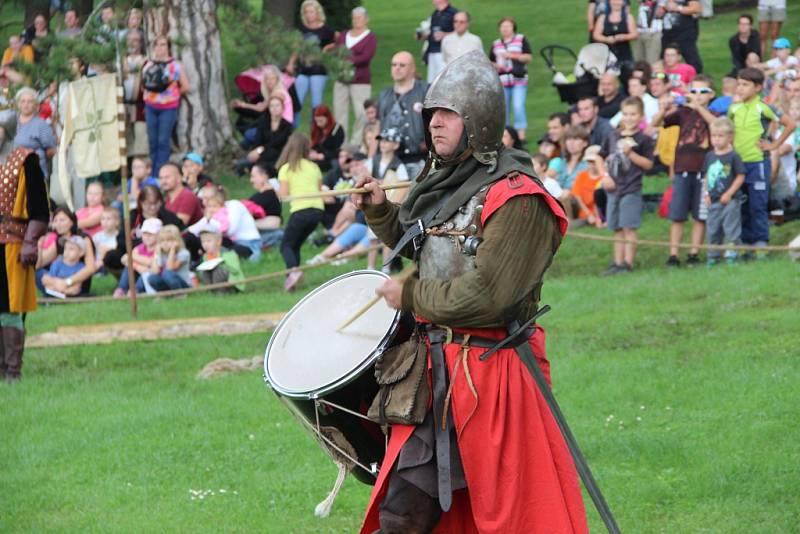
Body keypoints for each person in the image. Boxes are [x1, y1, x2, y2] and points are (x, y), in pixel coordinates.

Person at [351, 50, 587, 533]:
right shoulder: (446, 181)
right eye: (431, 114)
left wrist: (411, 297)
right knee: (403, 512)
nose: (435, 124)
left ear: (478, 121)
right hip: (434, 371)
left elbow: (490, 296)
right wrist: (380, 211)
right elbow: (425, 245)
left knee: (500, 516)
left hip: (492, 374)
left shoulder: (518, 197)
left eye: (448, 114)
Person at [728, 68, 796, 254]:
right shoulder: (734, 108)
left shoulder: (764, 107)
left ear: (757, 87)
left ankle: (760, 241)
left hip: (757, 162)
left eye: (745, 85)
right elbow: (728, 131)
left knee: (757, 204)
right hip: (738, 164)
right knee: (740, 203)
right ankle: (743, 243)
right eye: (739, 84)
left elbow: (790, 124)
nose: (740, 88)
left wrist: (774, 146)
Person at [651, 74, 716, 267]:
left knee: (699, 215)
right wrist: (664, 108)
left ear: (711, 94)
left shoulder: (714, 112)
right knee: (677, 215)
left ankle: (694, 253)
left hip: (704, 171)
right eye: (693, 91)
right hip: (682, 169)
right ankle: (673, 254)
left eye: (702, 91)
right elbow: (656, 124)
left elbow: (714, 123)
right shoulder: (683, 113)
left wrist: (698, 107)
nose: (697, 95)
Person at [0, 144, 49, 382]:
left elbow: (40, 209)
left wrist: (30, 241)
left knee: (11, 306)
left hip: (13, 244)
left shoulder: (26, 159)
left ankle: (12, 371)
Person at [597, 96, 655, 275]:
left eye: (633, 114)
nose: (629, 118)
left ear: (641, 116)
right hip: (614, 189)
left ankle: (627, 264)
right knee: (617, 228)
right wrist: (604, 175)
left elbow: (648, 164)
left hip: (631, 188)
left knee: (629, 227)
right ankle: (617, 262)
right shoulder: (613, 136)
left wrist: (631, 154)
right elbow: (600, 156)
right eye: (626, 114)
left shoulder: (644, 140)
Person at [276, 133, 324, 291]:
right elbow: (318, 190)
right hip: (317, 211)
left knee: (286, 246)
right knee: (294, 245)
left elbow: (283, 195)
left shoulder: (287, 169)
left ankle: (294, 272)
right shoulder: (314, 167)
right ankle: (292, 282)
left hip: (300, 211)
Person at [103, 185, 184, 273]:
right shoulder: (133, 216)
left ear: (161, 202)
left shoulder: (168, 217)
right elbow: (122, 240)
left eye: (156, 203)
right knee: (111, 256)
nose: (153, 207)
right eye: (149, 204)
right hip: (135, 253)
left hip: (163, 254)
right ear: (141, 203)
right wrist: (140, 247)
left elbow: (182, 233)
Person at [142, 36, 191, 177]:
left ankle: (161, 173)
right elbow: (144, 84)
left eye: (163, 45)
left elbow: (186, 86)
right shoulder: (148, 64)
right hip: (151, 106)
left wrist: (173, 94)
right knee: (152, 140)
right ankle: (152, 173)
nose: (160, 48)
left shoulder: (176, 65)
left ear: (168, 47)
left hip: (168, 108)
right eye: (157, 45)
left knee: (163, 140)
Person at [377, 51, 429, 180]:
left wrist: (429, 143)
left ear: (412, 69)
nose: (397, 68)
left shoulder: (425, 90)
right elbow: (378, 126)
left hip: (420, 159)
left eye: (402, 65)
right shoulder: (384, 95)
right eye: (394, 65)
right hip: (392, 161)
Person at [702, 117, 746, 265]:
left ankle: (732, 253)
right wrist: (706, 193)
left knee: (731, 226)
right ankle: (713, 255)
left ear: (730, 137)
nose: (716, 140)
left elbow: (740, 176)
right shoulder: (709, 156)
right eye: (714, 136)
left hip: (731, 200)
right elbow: (707, 175)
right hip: (714, 199)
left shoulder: (734, 156)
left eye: (720, 136)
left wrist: (729, 193)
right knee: (713, 228)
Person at [286, 0, 336, 127]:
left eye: (311, 12)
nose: (309, 15)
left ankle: (315, 134)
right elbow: (297, 48)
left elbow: (339, 42)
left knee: (316, 104)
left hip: (319, 71)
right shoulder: (301, 29)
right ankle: (290, 131)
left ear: (318, 12)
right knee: (296, 102)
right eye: (306, 12)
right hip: (302, 70)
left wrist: (327, 48)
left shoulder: (326, 30)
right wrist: (291, 63)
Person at [333, 6, 377, 145]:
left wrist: (347, 60)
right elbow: (337, 52)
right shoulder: (344, 35)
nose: (356, 20)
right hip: (341, 79)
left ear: (366, 19)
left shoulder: (370, 37)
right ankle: (341, 143)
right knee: (339, 112)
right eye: (354, 18)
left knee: (361, 113)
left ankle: (358, 143)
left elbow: (366, 57)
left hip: (360, 80)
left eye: (359, 17)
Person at [490, 17, 533, 142]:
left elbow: (528, 57)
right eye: (503, 26)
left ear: (513, 28)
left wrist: (513, 56)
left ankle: (521, 135)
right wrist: (496, 65)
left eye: (508, 26)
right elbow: (491, 60)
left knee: (518, 105)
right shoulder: (496, 43)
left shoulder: (521, 39)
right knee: (504, 107)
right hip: (503, 79)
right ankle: (506, 134)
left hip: (518, 78)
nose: (505, 29)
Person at [240, 95, 293, 176]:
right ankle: (255, 167)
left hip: (278, 154)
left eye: (277, 105)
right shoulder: (263, 122)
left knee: (272, 152)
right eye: (272, 106)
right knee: (261, 156)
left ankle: (253, 168)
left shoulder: (287, 126)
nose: (274, 108)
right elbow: (258, 140)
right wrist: (256, 151)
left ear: (282, 108)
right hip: (264, 154)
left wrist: (260, 150)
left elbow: (277, 143)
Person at [12, 87, 56, 180]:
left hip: (34, 173)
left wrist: (34, 156)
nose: (26, 105)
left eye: (30, 101)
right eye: (23, 101)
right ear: (18, 104)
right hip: (12, 173)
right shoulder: (11, 121)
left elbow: (51, 151)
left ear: (35, 105)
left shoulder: (41, 125)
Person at [114, 217, 161, 297]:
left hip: (153, 275)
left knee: (146, 273)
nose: (147, 237)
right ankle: (121, 289)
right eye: (145, 233)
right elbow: (124, 259)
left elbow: (151, 261)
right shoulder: (140, 247)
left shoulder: (159, 248)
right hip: (140, 272)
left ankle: (136, 290)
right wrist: (137, 266)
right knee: (128, 268)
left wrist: (133, 257)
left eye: (151, 234)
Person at [195, 220, 245, 292]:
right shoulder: (206, 256)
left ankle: (222, 293)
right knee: (203, 272)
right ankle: (212, 291)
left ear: (218, 241)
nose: (205, 244)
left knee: (218, 271)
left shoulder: (228, 254)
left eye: (209, 241)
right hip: (214, 282)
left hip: (231, 284)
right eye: (203, 242)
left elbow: (235, 269)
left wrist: (221, 263)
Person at [659, 0, 703, 73]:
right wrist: (663, 9)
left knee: (691, 58)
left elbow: (696, 9)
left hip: (685, 33)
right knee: (665, 58)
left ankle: (696, 79)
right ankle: (667, 78)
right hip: (667, 33)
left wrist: (677, 8)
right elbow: (660, 11)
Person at [145, 225, 193, 292]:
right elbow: (155, 271)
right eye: (162, 240)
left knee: (167, 273)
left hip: (183, 285)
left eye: (169, 240)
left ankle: (180, 294)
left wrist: (172, 249)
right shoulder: (161, 253)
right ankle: (164, 295)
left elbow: (170, 268)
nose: (165, 243)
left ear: (177, 240)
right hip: (168, 284)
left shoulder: (183, 253)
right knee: (152, 278)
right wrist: (156, 254)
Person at [248, 163, 284, 249]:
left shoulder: (267, 196)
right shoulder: (271, 194)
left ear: (264, 176)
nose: (251, 180)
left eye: (253, 176)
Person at [592, 0, 638, 66]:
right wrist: (606, 39)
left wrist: (623, 37)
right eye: (614, 0)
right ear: (609, 2)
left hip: (624, 53)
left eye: (619, 0)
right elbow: (596, 35)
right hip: (607, 53)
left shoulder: (628, 17)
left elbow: (634, 34)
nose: (616, 2)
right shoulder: (602, 18)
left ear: (623, 2)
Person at [570, 145, 606, 227]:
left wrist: (598, 217)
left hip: (601, 213)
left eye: (594, 161)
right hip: (585, 213)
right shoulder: (582, 175)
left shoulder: (604, 177)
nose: (592, 165)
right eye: (589, 162)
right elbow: (577, 197)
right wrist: (589, 214)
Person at [160, 162, 203, 226]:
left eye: (167, 177)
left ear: (179, 178)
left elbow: (180, 224)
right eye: (161, 178)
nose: (163, 181)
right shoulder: (167, 199)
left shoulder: (188, 196)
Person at [308, 104, 344, 172]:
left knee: (335, 163)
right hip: (318, 156)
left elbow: (338, 150)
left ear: (327, 118)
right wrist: (313, 152)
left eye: (321, 121)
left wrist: (323, 155)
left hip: (331, 157)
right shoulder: (316, 128)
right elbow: (315, 144)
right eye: (317, 121)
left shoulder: (337, 129)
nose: (318, 124)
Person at [633, 0, 665, 65]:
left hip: (653, 33)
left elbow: (660, 12)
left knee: (651, 63)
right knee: (638, 63)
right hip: (639, 32)